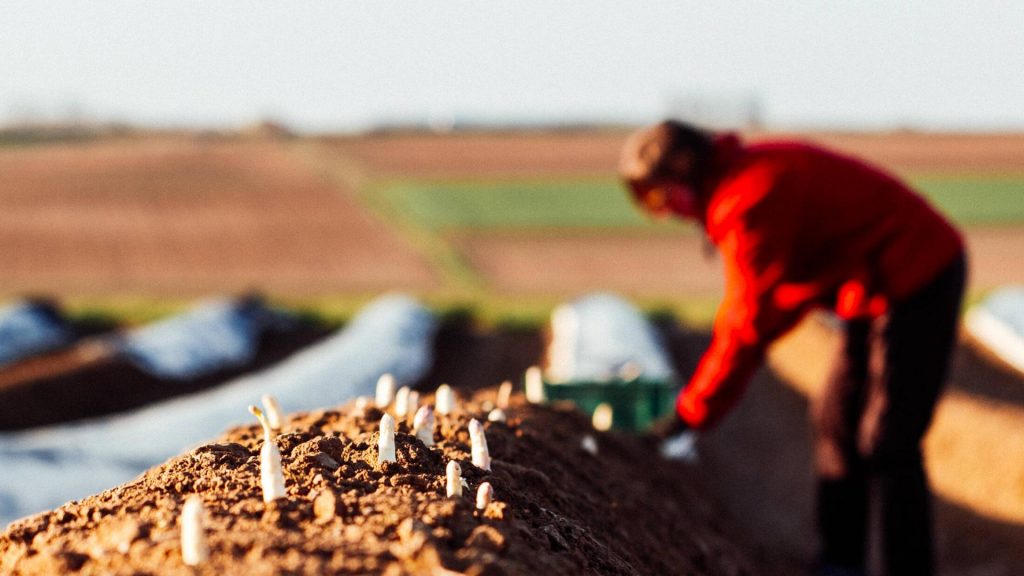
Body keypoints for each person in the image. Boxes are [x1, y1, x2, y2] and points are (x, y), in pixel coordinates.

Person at [623, 120, 966, 576]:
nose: (665, 213)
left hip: (918, 275)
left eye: (659, 197)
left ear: (685, 168)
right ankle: (841, 563)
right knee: (835, 420)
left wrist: (691, 413)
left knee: (888, 440)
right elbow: (777, 302)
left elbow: (749, 322)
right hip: (866, 289)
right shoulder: (741, 184)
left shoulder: (750, 197)